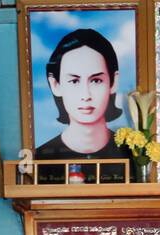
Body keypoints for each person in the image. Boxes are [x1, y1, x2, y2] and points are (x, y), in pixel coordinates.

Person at [34, 28, 125, 162]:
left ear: (113, 82)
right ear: (55, 84)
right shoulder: (41, 159)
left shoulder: (134, 155)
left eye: (96, 80)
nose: (86, 95)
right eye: (74, 81)